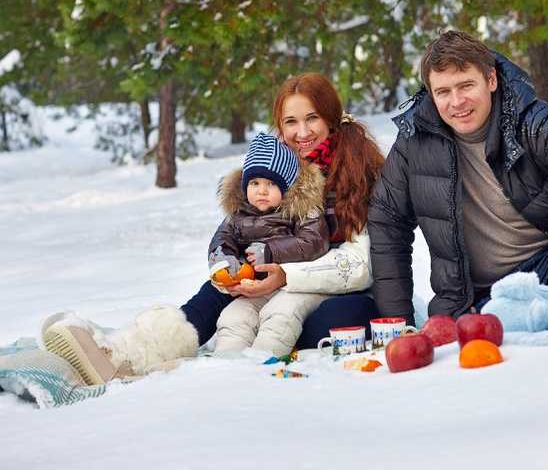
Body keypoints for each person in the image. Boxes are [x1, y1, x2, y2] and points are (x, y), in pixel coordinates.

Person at [42, 73, 384, 385]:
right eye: (291, 121)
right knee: (218, 292)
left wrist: (286, 275)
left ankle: (248, 359)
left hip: (345, 292)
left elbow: (361, 265)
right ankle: (131, 354)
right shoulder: (274, 170)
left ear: (330, 117)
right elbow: (236, 230)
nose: (302, 132)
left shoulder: (357, 172)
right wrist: (229, 266)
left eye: (312, 118)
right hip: (271, 282)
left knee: (327, 324)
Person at [368, 30, 548, 325]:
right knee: (495, 319)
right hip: (481, 301)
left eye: (466, 85)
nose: (456, 102)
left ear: (491, 80)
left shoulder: (527, 120)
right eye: (443, 92)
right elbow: (387, 223)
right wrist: (397, 326)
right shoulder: (413, 144)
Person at [210, 132, 330, 356]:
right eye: (254, 183)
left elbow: (314, 242)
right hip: (254, 287)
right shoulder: (238, 214)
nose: (261, 190)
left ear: (286, 188)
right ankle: (226, 364)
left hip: (292, 286)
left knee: (279, 317)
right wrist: (223, 258)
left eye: (271, 184)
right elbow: (222, 238)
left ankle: (263, 362)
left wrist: (272, 251)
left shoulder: (301, 210)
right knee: (234, 318)